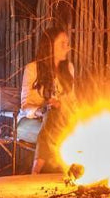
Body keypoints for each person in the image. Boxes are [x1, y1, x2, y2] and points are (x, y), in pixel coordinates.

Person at [18, 25, 81, 173]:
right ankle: (53, 170)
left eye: (67, 43)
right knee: (52, 114)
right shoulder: (32, 69)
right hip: (30, 123)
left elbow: (72, 102)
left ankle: (36, 170)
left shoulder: (69, 68)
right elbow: (25, 106)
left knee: (57, 116)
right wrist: (43, 108)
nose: (68, 48)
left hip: (59, 122)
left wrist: (79, 115)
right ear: (49, 46)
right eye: (62, 44)